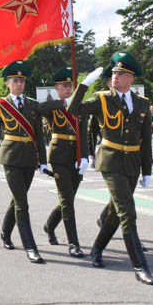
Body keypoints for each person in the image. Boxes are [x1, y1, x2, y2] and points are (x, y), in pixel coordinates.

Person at [66, 52, 153, 285]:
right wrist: (83, 86)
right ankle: (140, 266)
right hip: (111, 161)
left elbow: (146, 140)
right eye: (114, 72)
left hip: (133, 163)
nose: (115, 76)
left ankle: (97, 249)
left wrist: (147, 170)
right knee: (128, 212)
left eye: (121, 73)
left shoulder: (142, 104)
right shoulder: (102, 98)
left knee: (115, 213)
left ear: (131, 77)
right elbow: (73, 110)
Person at [0, 60, 48, 264]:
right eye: (15, 80)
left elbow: (39, 136)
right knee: (22, 203)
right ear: (7, 83)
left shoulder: (33, 105)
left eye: (22, 80)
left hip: (29, 157)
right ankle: (30, 247)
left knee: (17, 199)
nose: (19, 84)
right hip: (11, 157)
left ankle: (5, 232)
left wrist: (43, 160)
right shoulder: (1, 105)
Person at [40, 68, 89, 258]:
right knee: (67, 200)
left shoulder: (80, 107)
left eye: (70, 86)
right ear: (57, 88)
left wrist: (85, 156)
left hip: (76, 157)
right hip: (59, 156)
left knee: (67, 199)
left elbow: (83, 134)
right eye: (64, 86)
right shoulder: (54, 107)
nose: (68, 89)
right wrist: (64, 103)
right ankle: (73, 243)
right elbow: (40, 109)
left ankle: (49, 225)